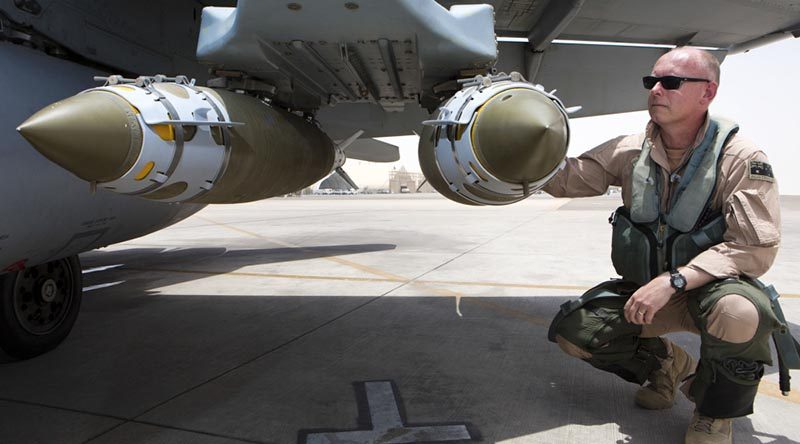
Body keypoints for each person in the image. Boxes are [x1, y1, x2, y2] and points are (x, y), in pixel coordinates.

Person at [544, 47, 783, 444]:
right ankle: (668, 365)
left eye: (670, 82)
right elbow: (568, 178)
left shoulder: (739, 157)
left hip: (713, 291)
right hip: (651, 290)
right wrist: (516, 153)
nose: (655, 89)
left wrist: (674, 281)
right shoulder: (630, 149)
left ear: (707, 92)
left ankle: (713, 413)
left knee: (743, 313)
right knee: (577, 332)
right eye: (651, 81)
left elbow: (754, 248)